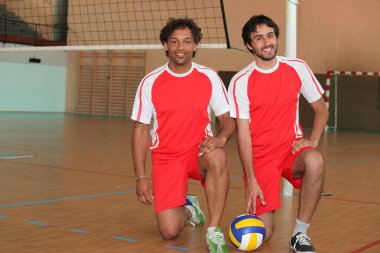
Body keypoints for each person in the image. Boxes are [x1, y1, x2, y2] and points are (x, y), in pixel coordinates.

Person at [131, 17, 235, 253]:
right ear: (165, 45)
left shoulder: (208, 76)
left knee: (218, 156)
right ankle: (190, 209)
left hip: (198, 152)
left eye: (187, 41)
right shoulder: (150, 82)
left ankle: (213, 229)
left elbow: (228, 120)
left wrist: (221, 138)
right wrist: (140, 177)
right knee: (169, 232)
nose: (181, 47)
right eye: (175, 41)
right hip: (166, 158)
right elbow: (140, 129)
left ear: (195, 45)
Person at [228, 15, 328, 253]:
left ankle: (299, 233)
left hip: (290, 149)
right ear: (250, 45)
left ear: (276, 37)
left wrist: (312, 140)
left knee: (315, 160)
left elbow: (321, 109)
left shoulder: (297, 67)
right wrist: (251, 180)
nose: (267, 42)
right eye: (259, 38)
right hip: (261, 157)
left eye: (270, 35)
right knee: (262, 234)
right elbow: (243, 135)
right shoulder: (240, 81)